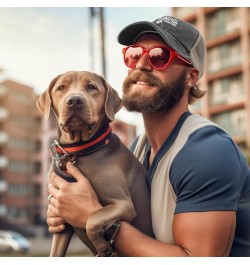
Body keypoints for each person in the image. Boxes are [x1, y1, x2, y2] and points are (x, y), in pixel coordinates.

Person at [47, 15, 250, 257]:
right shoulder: (136, 149)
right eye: (134, 54)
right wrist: (67, 211)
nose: (141, 64)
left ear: (191, 76)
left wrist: (93, 216)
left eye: (159, 56)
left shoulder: (207, 151)